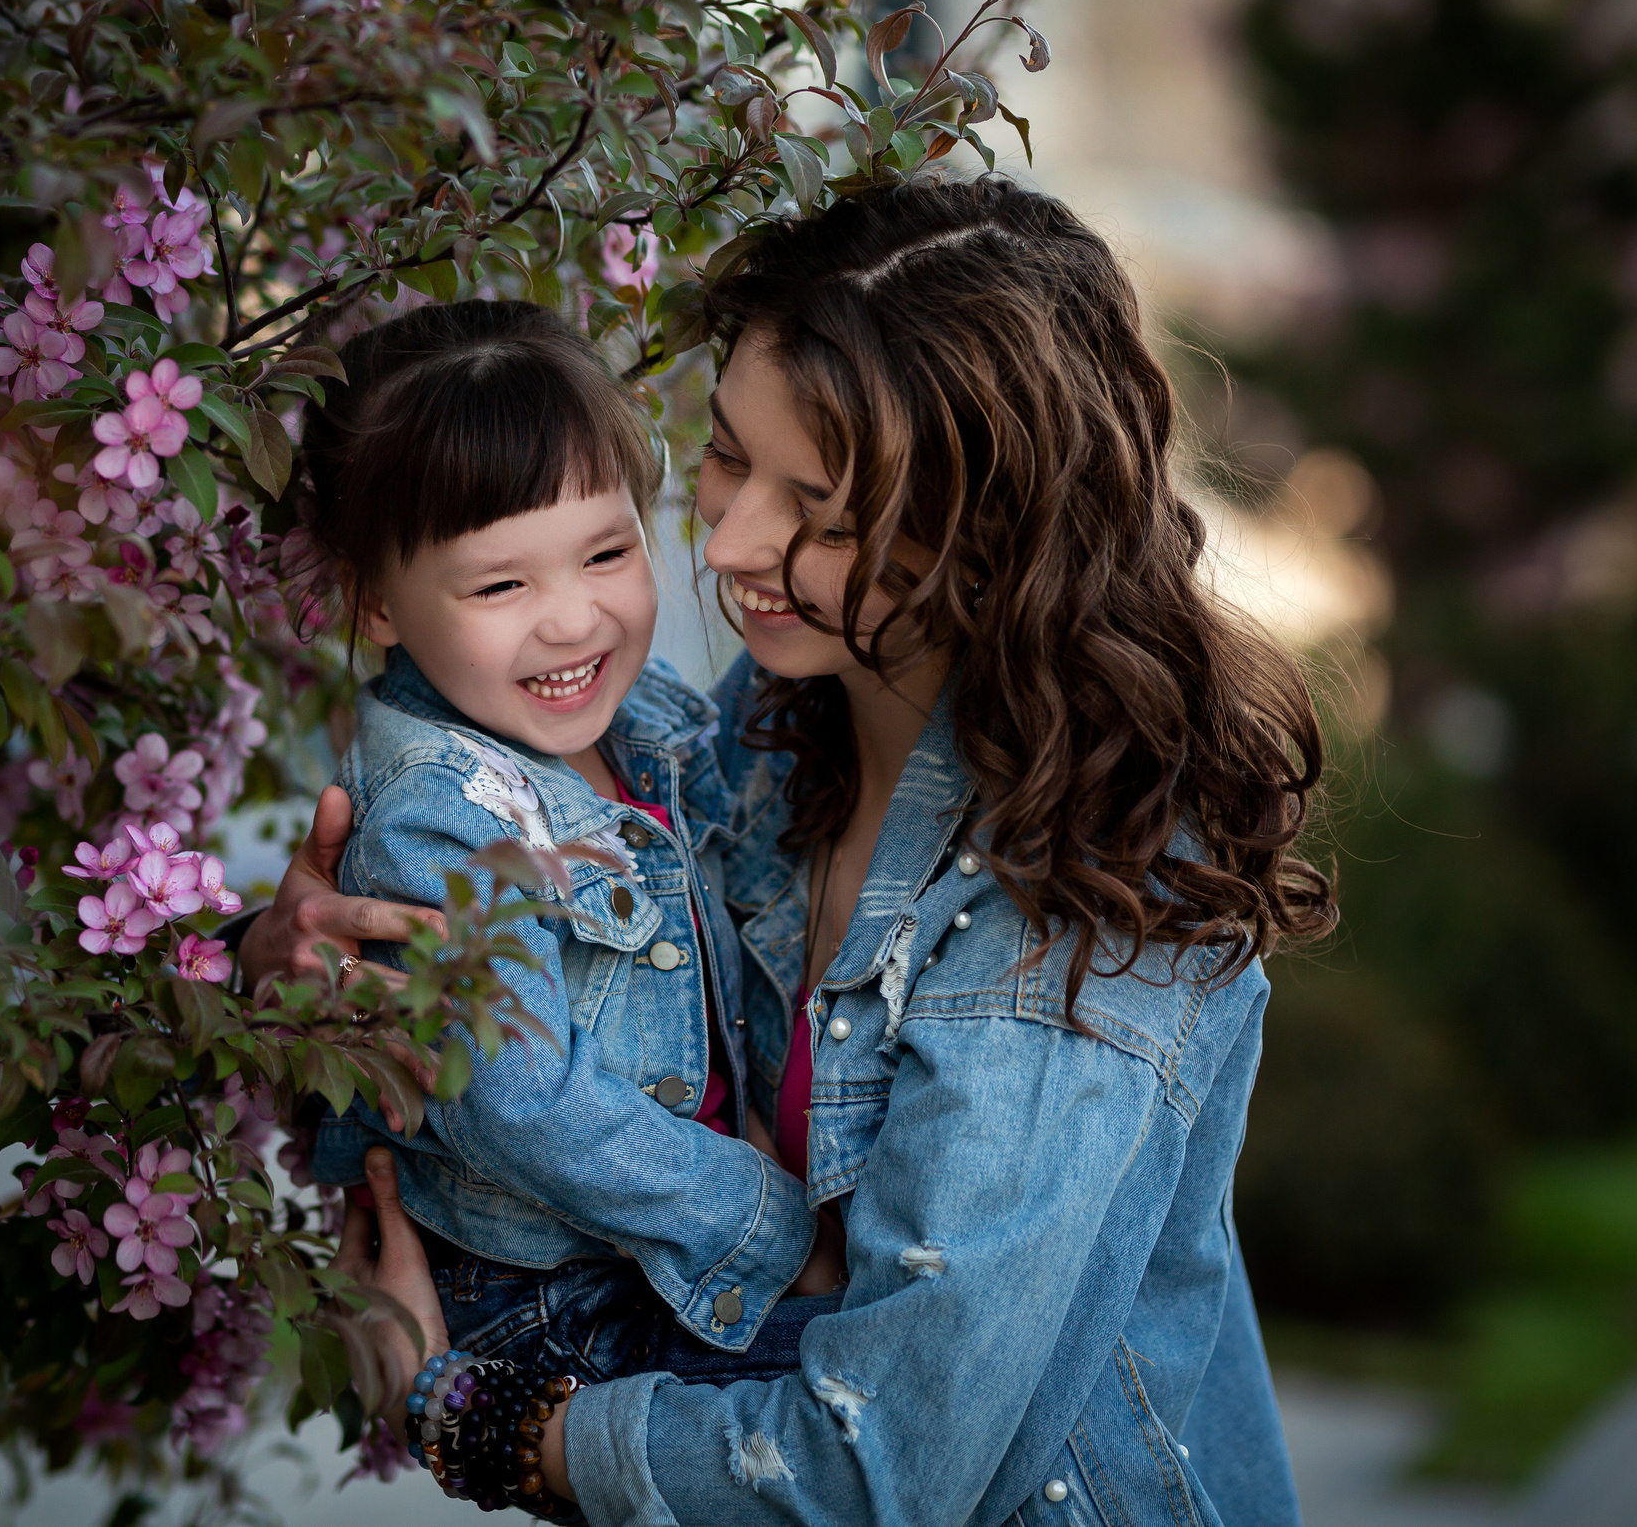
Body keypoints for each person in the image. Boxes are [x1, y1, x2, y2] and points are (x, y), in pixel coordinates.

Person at [246, 176, 1331, 1525]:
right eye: (724, 455)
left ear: (985, 537)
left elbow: (881, 1470)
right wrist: (297, 955)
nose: (728, 539)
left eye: (819, 510)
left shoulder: (1075, 900)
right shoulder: (769, 724)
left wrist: (471, 1416)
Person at [287, 300, 832, 1399]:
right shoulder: (441, 816)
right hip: (558, 1295)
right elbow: (519, 1104)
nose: (573, 620)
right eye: (502, 584)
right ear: (375, 602)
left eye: (606, 552)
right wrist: (770, 1224)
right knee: (876, 1398)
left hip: (652, 1247)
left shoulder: (643, 719)